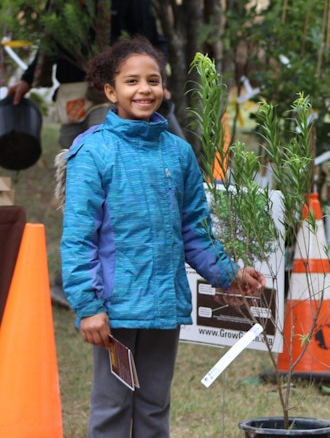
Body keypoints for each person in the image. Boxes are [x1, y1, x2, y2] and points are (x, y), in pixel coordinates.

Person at [59, 37, 264, 437]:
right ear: (110, 90)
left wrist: (229, 274)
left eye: (153, 80)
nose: (144, 89)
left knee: (155, 410)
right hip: (114, 313)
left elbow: (194, 230)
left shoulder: (179, 153)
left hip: (164, 307)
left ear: (164, 88)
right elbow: (78, 238)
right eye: (131, 81)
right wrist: (88, 305)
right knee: (112, 410)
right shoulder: (92, 152)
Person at [8, 0, 181, 308]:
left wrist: (156, 80)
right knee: (76, 181)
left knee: (106, 180)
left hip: (113, 99)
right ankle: (74, 277)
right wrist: (27, 79)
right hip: (71, 97)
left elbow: (152, 43)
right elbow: (47, 43)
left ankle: (108, 274)